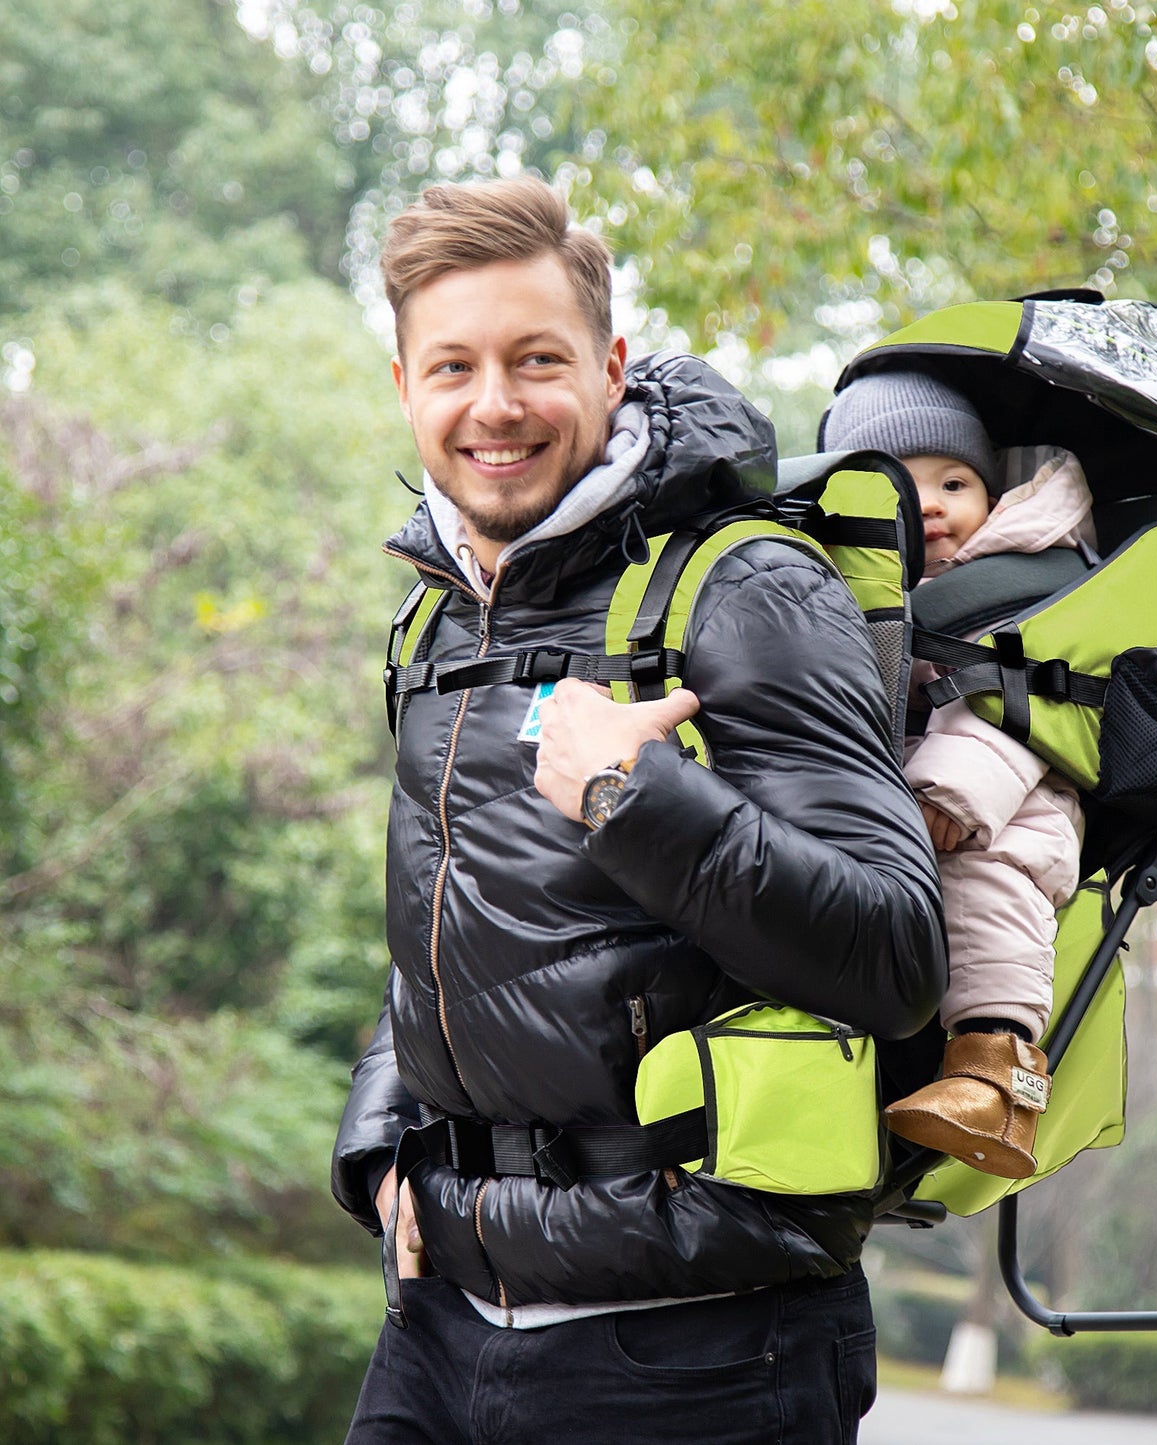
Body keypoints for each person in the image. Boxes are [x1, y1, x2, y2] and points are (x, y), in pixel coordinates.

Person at [329, 178, 946, 1444]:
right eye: (452, 366)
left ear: (609, 368)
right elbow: (449, 926)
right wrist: (381, 1145)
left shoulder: (747, 589)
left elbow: (893, 958)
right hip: (441, 1325)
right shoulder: (439, 611)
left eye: (535, 359)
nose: (493, 404)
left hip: (699, 1344)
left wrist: (634, 799)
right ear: (404, 386)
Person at [822, 370, 1095, 1180]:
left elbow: (1024, 704)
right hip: (895, 803)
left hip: (1005, 798)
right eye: (902, 491)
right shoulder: (844, 592)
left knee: (989, 881)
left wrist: (948, 792)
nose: (932, 505)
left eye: (953, 483)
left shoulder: (1027, 577)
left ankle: (995, 1072)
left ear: (993, 494)